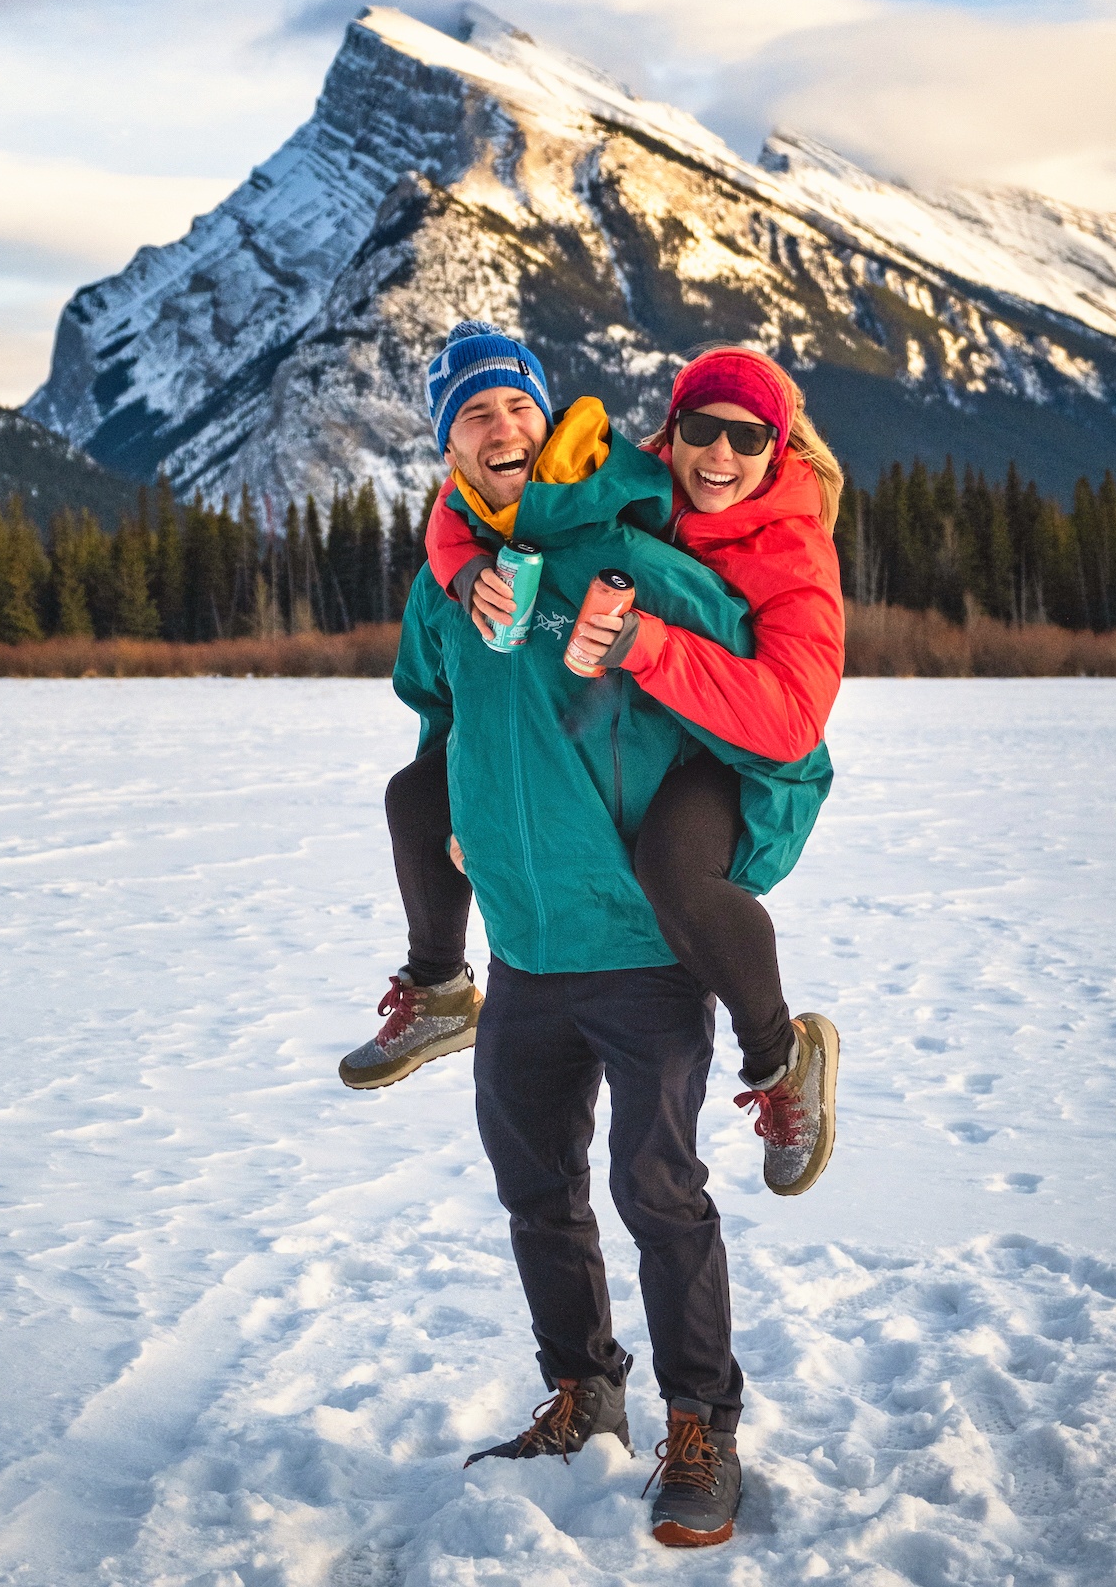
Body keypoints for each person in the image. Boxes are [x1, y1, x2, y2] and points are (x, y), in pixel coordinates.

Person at [345, 321, 831, 1547]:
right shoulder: (444, 577)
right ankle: (584, 1391)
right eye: (472, 415)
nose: (498, 429)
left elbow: (780, 723)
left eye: (515, 407)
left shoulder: (638, 552)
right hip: (524, 946)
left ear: (547, 418)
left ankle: (702, 1424)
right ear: (447, 442)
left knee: (657, 1189)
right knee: (536, 1190)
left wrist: (729, 849)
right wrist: (452, 818)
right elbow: (436, 710)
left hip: (639, 940)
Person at [382, 342, 848, 1200]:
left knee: (672, 866)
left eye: (749, 441)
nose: (722, 455)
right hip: (674, 723)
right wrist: (461, 562)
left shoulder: (791, 551)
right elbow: (489, 506)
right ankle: (438, 984)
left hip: (750, 757)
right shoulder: (651, 488)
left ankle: (784, 1058)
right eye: (702, 430)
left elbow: (787, 726)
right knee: (416, 792)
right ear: (669, 432)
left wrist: (645, 646)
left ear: (776, 452)